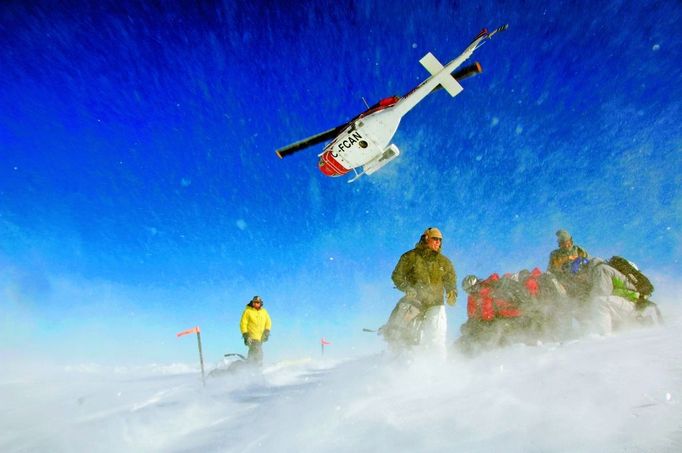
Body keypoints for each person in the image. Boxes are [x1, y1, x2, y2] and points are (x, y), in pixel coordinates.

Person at [382, 227, 457, 350]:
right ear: (426, 238)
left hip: (436, 304)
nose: (438, 242)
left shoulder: (444, 262)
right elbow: (397, 275)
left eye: (440, 240)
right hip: (414, 301)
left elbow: (450, 280)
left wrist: (452, 292)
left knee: (436, 338)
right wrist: (407, 288)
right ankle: (396, 357)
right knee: (401, 333)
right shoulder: (410, 256)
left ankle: (436, 365)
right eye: (435, 239)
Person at [239, 295, 272, 365]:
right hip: (251, 337)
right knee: (257, 351)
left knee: (255, 351)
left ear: (260, 303)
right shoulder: (247, 311)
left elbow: (268, 322)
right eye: (254, 302)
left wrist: (267, 331)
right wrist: (245, 334)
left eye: (257, 302)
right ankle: (253, 366)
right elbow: (243, 323)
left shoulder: (264, 312)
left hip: (261, 337)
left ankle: (250, 365)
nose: (255, 304)